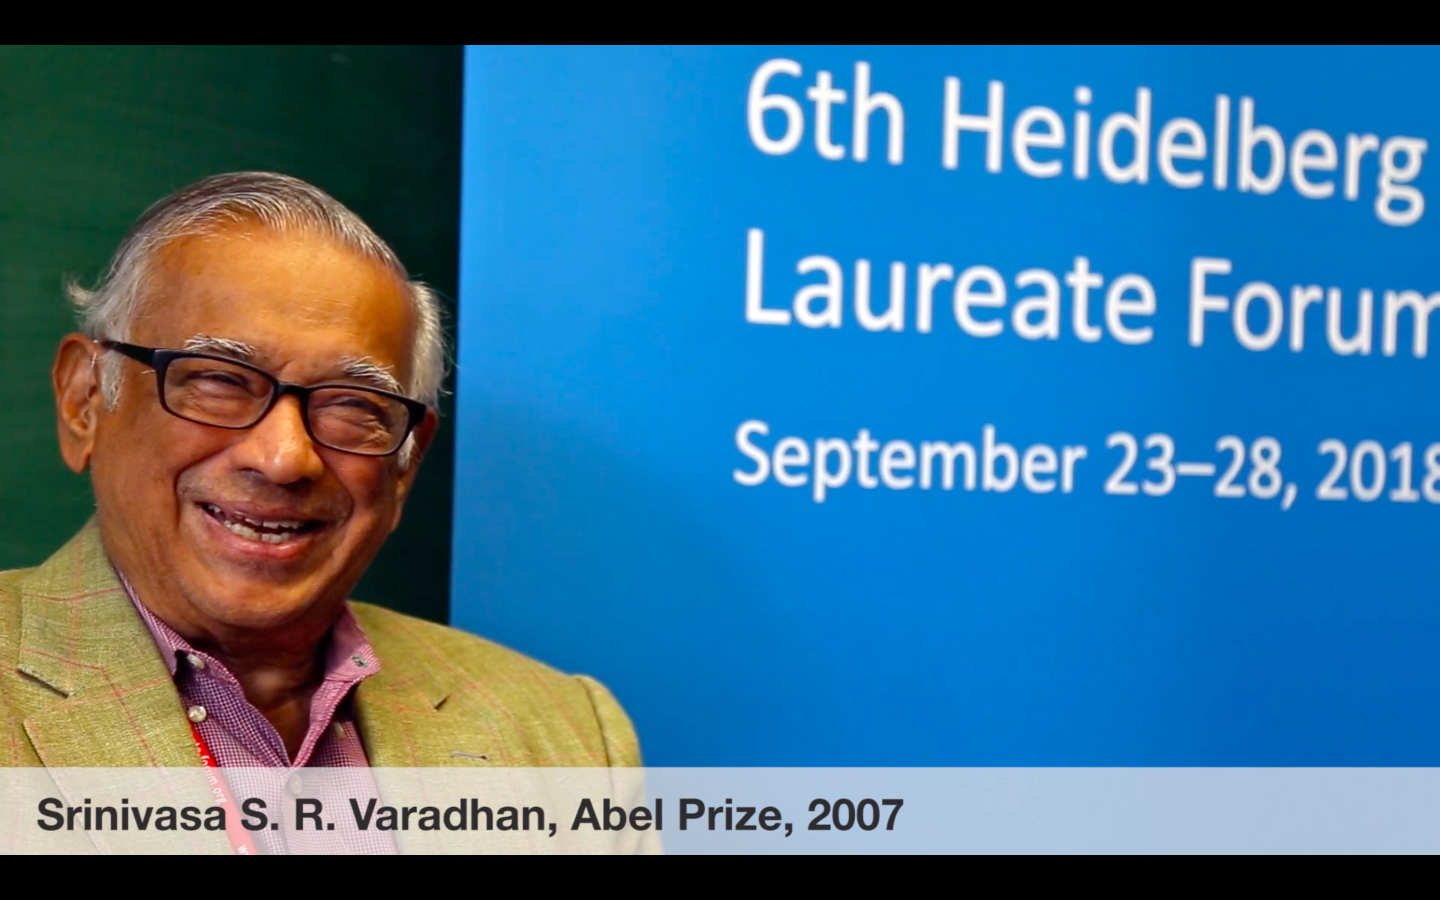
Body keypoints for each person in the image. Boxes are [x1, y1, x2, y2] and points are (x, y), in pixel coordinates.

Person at [0, 173, 641, 852]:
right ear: (84, 402)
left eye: (354, 405)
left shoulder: (570, 738)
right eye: (219, 380)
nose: (284, 458)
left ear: (405, 466)